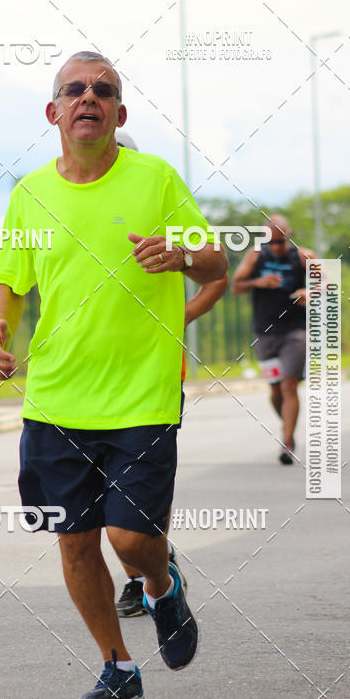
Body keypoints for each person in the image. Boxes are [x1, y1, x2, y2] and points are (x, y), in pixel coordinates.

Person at [0, 51, 228, 699]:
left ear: (119, 114)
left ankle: (159, 582)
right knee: (74, 541)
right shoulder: (29, 194)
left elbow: (216, 265)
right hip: (58, 398)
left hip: (141, 393)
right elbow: (8, 283)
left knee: (130, 538)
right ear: (54, 111)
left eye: (104, 90)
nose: (88, 97)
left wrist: (180, 255)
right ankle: (117, 666)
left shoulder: (155, 178)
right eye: (75, 89)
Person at [113, 130, 229, 618]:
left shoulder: (164, 213)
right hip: (86, 376)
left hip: (154, 374)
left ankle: (144, 574)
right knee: (100, 492)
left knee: (136, 487)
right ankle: (146, 566)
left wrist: (179, 318)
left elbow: (217, 273)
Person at [231, 215, 316, 464]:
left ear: (289, 236)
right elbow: (236, 286)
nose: (277, 246)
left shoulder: (303, 256)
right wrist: (259, 281)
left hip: (295, 331)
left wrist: (309, 292)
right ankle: (288, 424)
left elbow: (330, 283)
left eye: (282, 241)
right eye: (272, 242)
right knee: (276, 389)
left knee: (289, 386)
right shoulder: (255, 256)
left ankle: (287, 441)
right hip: (265, 332)